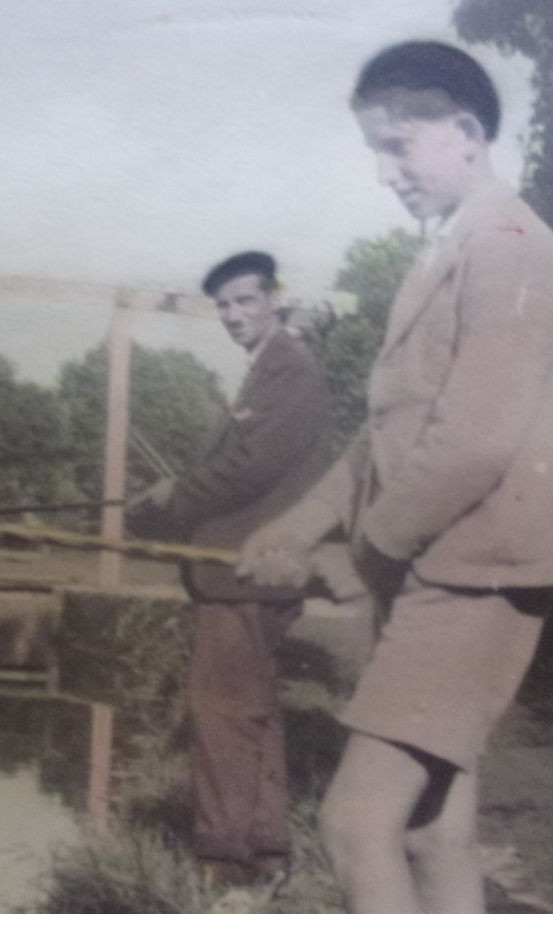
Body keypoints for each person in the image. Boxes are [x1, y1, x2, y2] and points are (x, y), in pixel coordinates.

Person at [237, 41, 553, 912]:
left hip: (473, 577)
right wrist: (301, 525)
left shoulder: (509, 247)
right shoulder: (447, 252)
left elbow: (473, 442)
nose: (385, 173)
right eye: (373, 152)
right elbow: (387, 430)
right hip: (441, 570)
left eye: (397, 146)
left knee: (353, 824)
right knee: (431, 830)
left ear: (465, 132)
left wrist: (364, 553)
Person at [125, 250, 332, 889]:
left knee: (220, 711)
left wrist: (169, 503)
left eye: (246, 301)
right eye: (224, 305)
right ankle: (264, 850)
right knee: (250, 708)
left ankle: (222, 861)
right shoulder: (268, 369)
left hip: (245, 571)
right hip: (249, 570)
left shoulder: (289, 369)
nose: (234, 315)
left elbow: (251, 469)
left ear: (274, 300)